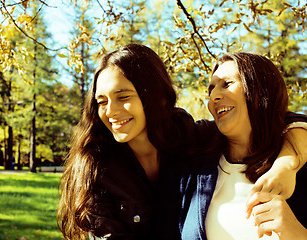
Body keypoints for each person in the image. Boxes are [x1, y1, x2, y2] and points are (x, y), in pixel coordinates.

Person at [57, 44, 307, 240]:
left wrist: (287, 163)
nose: (111, 111)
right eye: (101, 102)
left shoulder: (192, 139)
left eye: (123, 96)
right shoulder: (98, 169)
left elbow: (284, 118)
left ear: (154, 96)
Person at [180, 52, 307, 240]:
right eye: (211, 90)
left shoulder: (299, 166)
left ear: (260, 90)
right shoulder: (194, 173)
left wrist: (296, 233)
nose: (214, 96)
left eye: (227, 84)